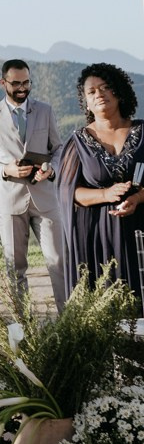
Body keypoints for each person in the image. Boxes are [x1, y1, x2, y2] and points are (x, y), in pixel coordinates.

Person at [0, 59, 66, 309]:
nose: (22, 88)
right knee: (15, 267)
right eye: (16, 83)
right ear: (3, 82)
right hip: (10, 201)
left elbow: (58, 149)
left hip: (46, 199)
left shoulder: (45, 110)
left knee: (59, 262)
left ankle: (70, 322)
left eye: (26, 82)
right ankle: (23, 327)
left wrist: (51, 169)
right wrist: (6, 169)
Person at [53, 62, 144, 305]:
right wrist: (106, 194)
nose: (99, 94)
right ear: (86, 102)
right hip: (97, 236)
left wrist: (138, 197)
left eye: (105, 88)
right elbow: (68, 192)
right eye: (91, 91)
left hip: (140, 230)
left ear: (119, 91)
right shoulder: (78, 142)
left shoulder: (143, 132)